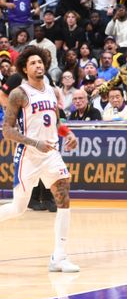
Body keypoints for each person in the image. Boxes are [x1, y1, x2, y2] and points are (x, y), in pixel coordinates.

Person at [0, 46, 80, 272]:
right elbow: (7, 131)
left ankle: (59, 256)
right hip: (29, 155)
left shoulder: (52, 92)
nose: (38, 65)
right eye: (33, 63)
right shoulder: (19, 94)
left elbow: (55, 123)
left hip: (52, 153)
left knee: (63, 197)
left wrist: (69, 134)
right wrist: (35, 143)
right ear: (24, 68)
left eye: (40, 61)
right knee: (18, 208)